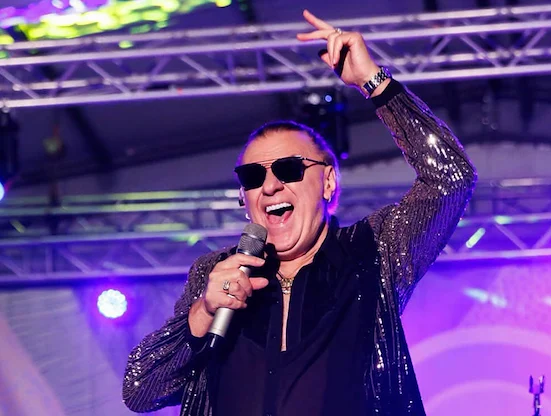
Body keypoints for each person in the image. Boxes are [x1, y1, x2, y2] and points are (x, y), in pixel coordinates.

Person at [122, 9, 477, 416]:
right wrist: (202, 314)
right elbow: (140, 390)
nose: (270, 185)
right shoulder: (217, 274)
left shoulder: (373, 252)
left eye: (289, 169)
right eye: (253, 176)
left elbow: (451, 178)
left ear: (328, 182)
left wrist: (372, 81)